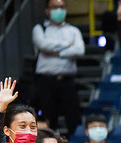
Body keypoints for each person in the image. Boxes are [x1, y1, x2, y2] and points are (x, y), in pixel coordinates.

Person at [32, 0, 84, 135]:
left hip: (68, 80)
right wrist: (68, 45)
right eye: (55, 7)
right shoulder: (40, 29)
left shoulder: (73, 30)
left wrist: (57, 52)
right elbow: (43, 45)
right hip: (46, 81)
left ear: (66, 9)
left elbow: (79, 50)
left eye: (61, 7)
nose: (59, 10)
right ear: (47, 11)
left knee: (73, 116)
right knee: (49, 118)